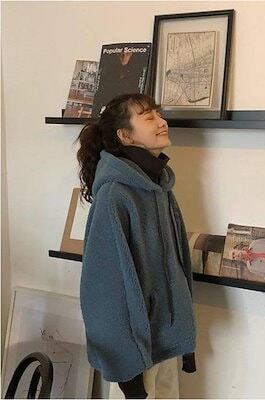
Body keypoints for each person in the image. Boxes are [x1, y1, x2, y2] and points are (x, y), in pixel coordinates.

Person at [75, 93, 197, 398]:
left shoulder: (159, 186)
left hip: (165, 345)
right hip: (133, 357)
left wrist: (183, 340)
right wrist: (125, 374)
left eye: (159, 114)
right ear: (125, 135)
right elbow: (104, 289)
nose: (162, 122)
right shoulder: (115, 195)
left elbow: (175, 266)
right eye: (149, 117)